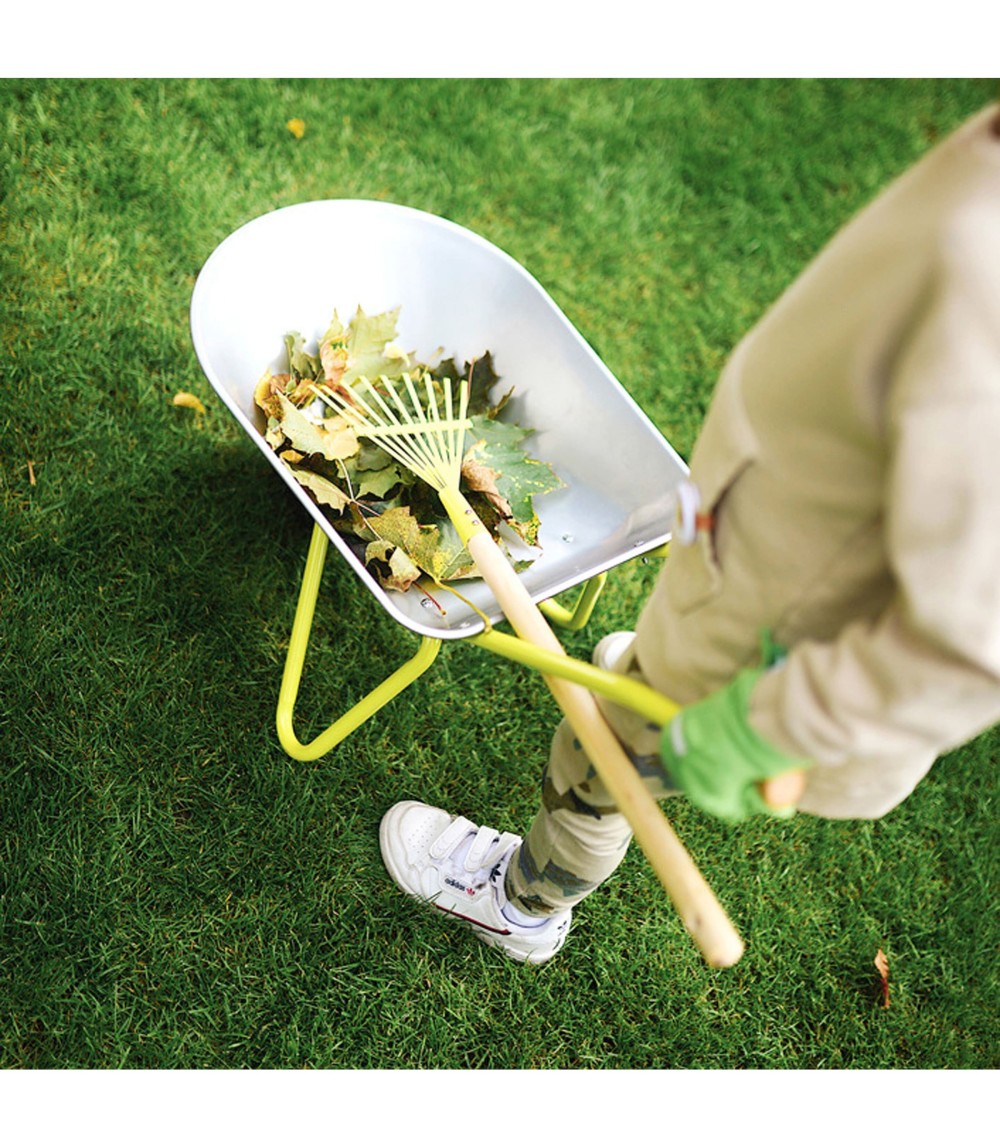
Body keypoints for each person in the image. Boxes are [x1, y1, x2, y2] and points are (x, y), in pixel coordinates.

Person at [379, 101, 1000, 964]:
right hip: (768, 554)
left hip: (776, 647)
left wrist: (772, 723)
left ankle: (521, 904)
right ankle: (658, 673)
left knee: (600, 764)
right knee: (632, 701)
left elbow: (977, 637)